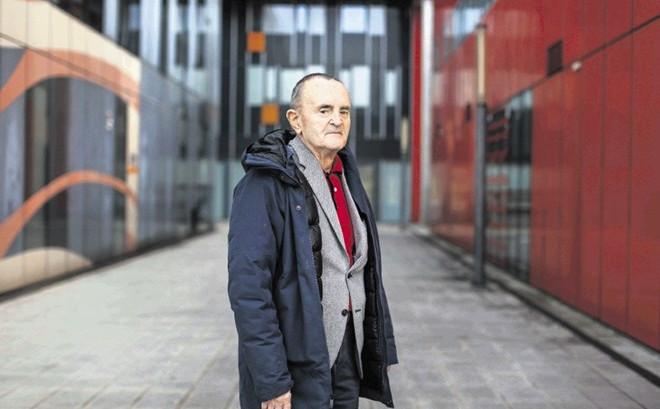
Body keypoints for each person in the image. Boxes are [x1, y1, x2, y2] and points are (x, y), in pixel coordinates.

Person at [228, 73, 398, 409]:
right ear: (296, 120)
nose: (337, 119)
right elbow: (249, 291)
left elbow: (364, 272)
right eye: (324, 110)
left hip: (348, 356)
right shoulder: (263, 185)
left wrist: (381, 348)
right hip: (296, 365)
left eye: (344, 111)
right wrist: (272, 380)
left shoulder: (347, 178)